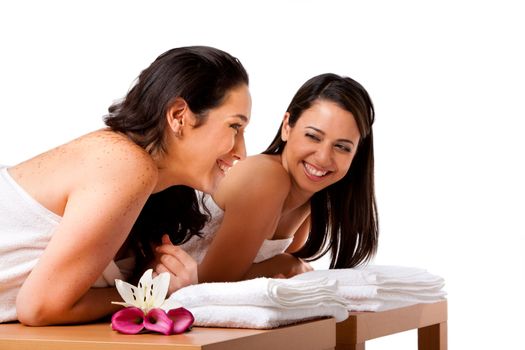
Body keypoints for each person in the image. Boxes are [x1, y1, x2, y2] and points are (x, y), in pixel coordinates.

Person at [0, 46, 251, 325]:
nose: (242, 151)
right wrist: (149, 296)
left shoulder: (153, 190)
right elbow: (39, 308)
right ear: (179, 116)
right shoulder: (125, 164)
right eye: (234, 127)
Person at [170, 73, 378, 282]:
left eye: (341, 147)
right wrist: (288, 265)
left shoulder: (311, 199)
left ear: (356, 154)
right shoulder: (266, 177)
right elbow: (213, 283)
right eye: (313, 136)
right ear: (287, 126)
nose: (323, 158)